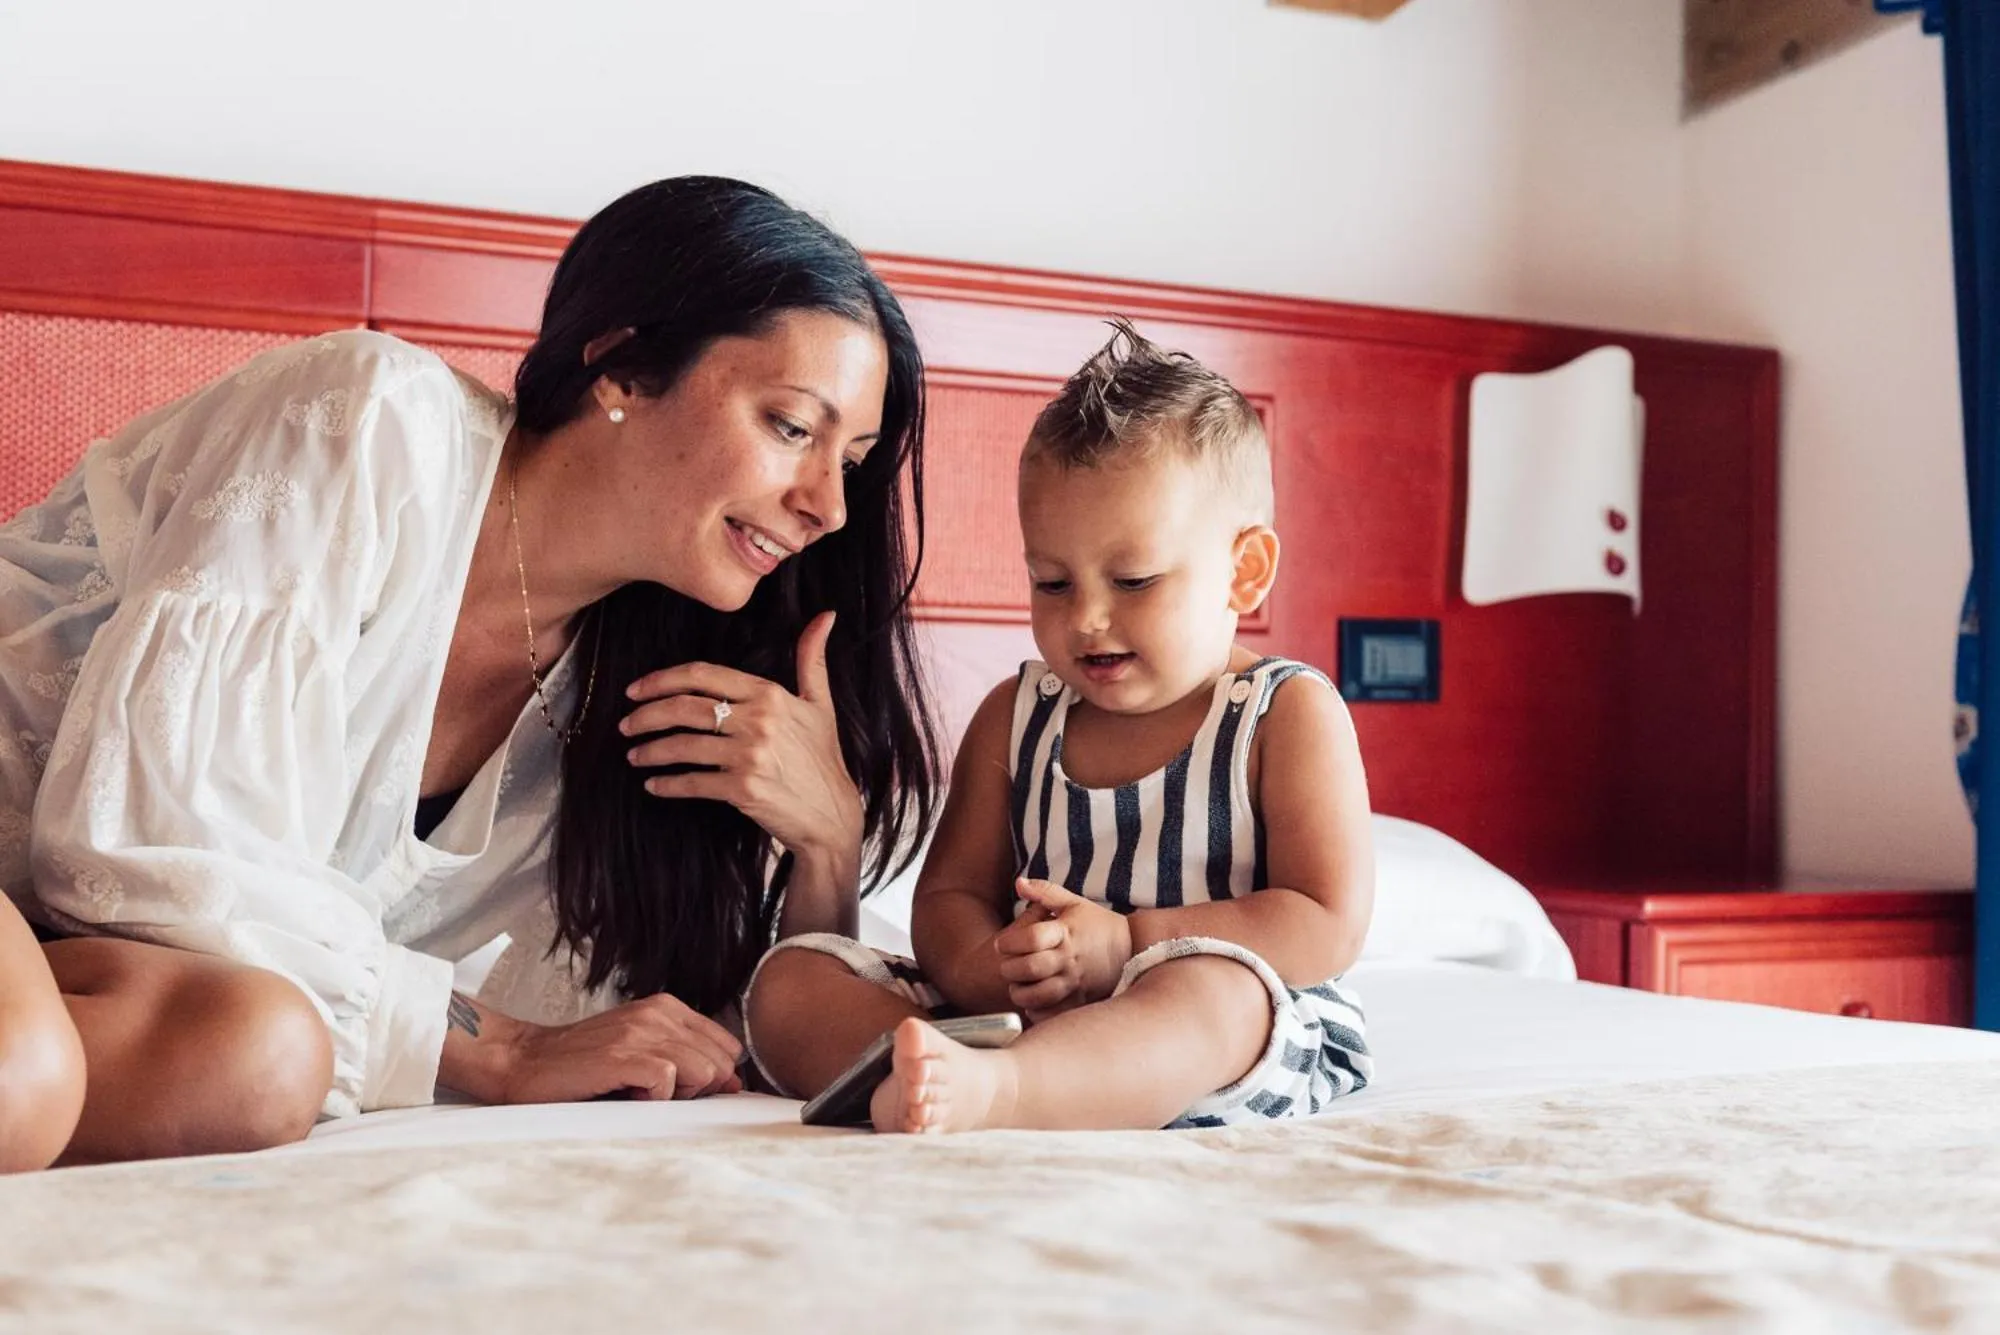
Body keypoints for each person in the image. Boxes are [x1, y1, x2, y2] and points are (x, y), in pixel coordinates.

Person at [0, 176, 939, 1171]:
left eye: (855, 458)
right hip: (45, 921)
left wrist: (827, 841)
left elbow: (698, 1043)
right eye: (791, 427)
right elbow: (148, 844)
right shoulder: (375, 423)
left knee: (259, 1056)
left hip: (89, 973)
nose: (828, 507)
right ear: (620, 370)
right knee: (38, 1073)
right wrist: (503, 1050)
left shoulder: (637, 692)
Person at [745, 322, 1375, 1134]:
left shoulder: (1281, 714)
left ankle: (1004, 1093)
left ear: (1244, 570)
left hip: (1203, 1029)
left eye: (1134, 579)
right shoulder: (1018, 718)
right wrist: (992, 975)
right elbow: (950, 895)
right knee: (788, 980)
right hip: (1033, 1014)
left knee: (1217, 994)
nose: (1087, 618)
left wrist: (1129, 944)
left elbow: (1325, 919)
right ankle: (944, 1064)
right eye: (1050, 581)